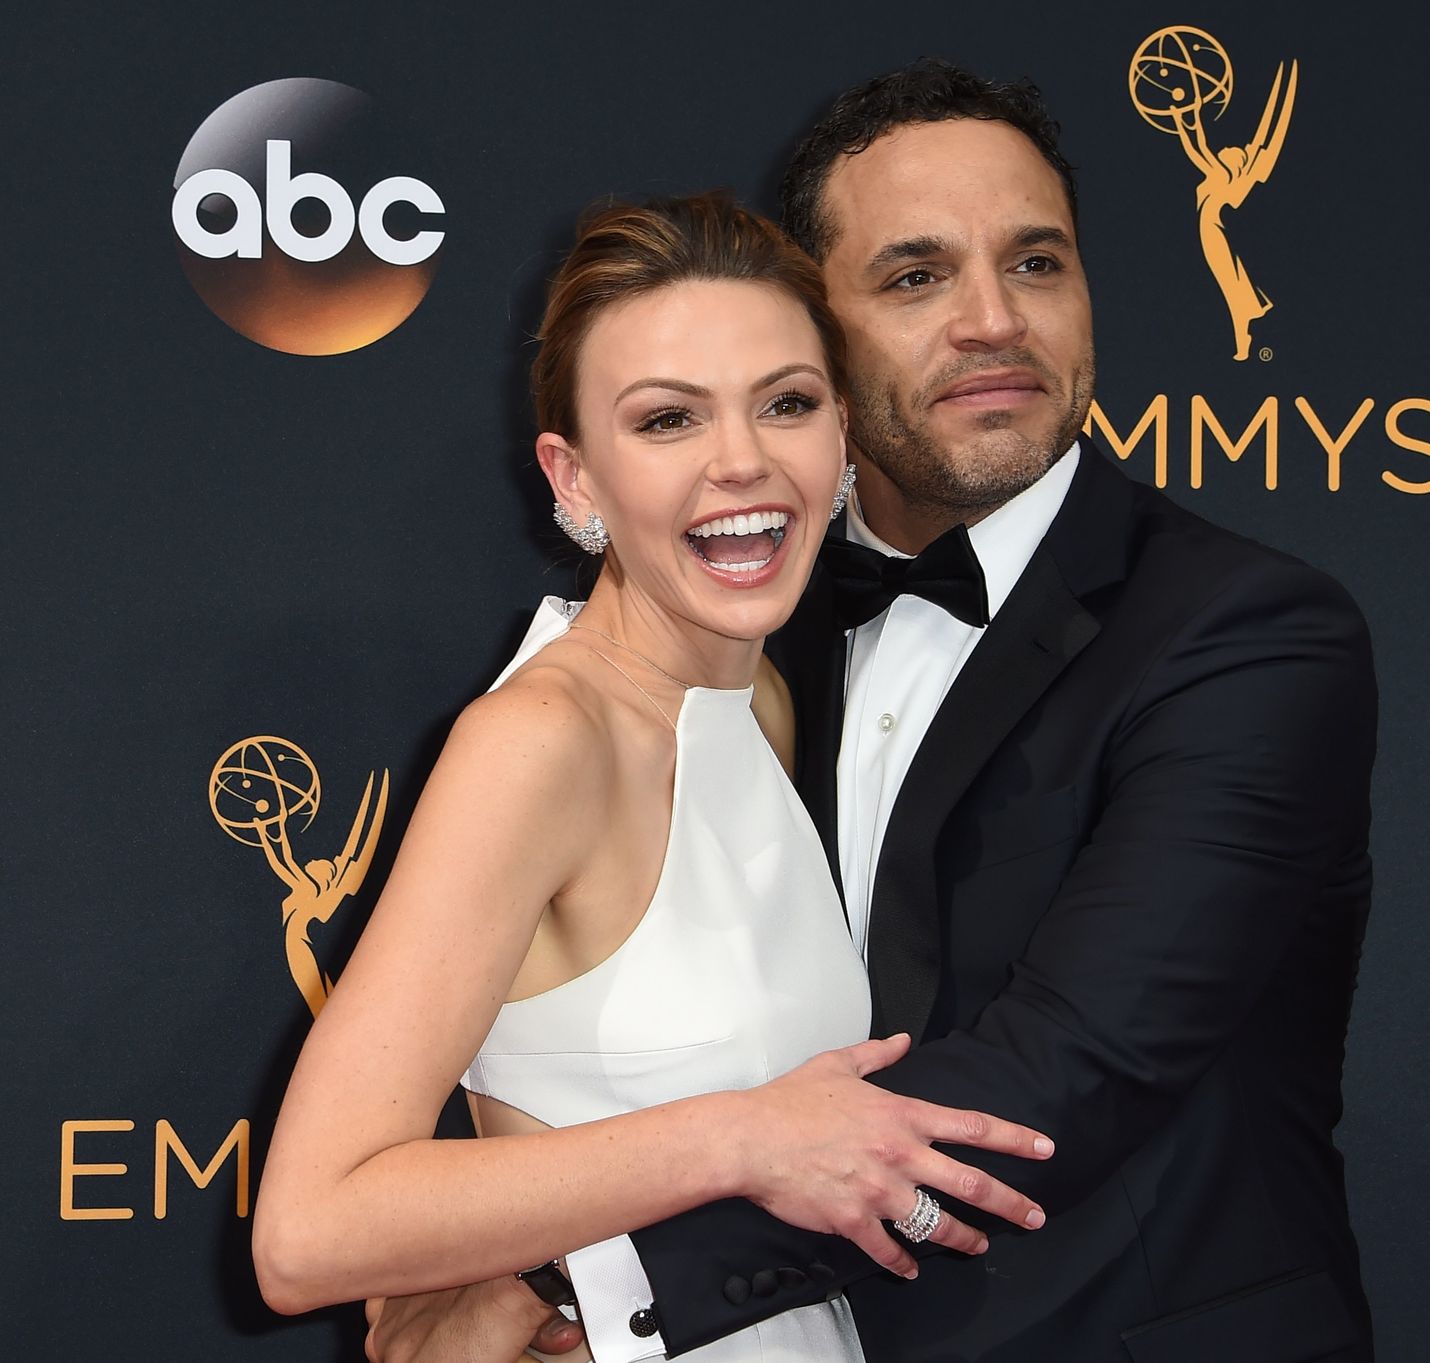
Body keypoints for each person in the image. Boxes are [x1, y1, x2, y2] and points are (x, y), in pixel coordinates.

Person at [369, 60, 1377, 1363]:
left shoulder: (1245, 633)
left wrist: (571, 1285)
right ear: (816, 344)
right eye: (915, 276)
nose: (992, 320)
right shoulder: (743, 630)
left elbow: (1060, 1076)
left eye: (1036, 263)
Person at [250, 193, 1058, 1363]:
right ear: (573, 478)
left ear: (840, 438)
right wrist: (738, 1138)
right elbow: (309, 1233)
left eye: (785, 402)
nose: (741, 460)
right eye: (668, 419)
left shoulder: (769, 697)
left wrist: (540, 1286)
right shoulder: (540, 742)